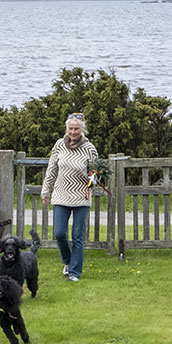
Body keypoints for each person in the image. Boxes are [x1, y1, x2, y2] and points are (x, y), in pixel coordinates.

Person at [41, 113, 99, 282]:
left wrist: (93, 179)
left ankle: (74, 272)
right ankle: (67, 261)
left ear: (82, 130)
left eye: (76, 129)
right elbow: (52, 170)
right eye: (70, 129)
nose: (73, 132)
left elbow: (95, 175)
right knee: (59, 233)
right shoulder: (59, 145)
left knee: (77, 235)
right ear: (66, 129)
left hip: (81, 196)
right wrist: (46, 191)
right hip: (61, 195)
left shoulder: (90, 149)